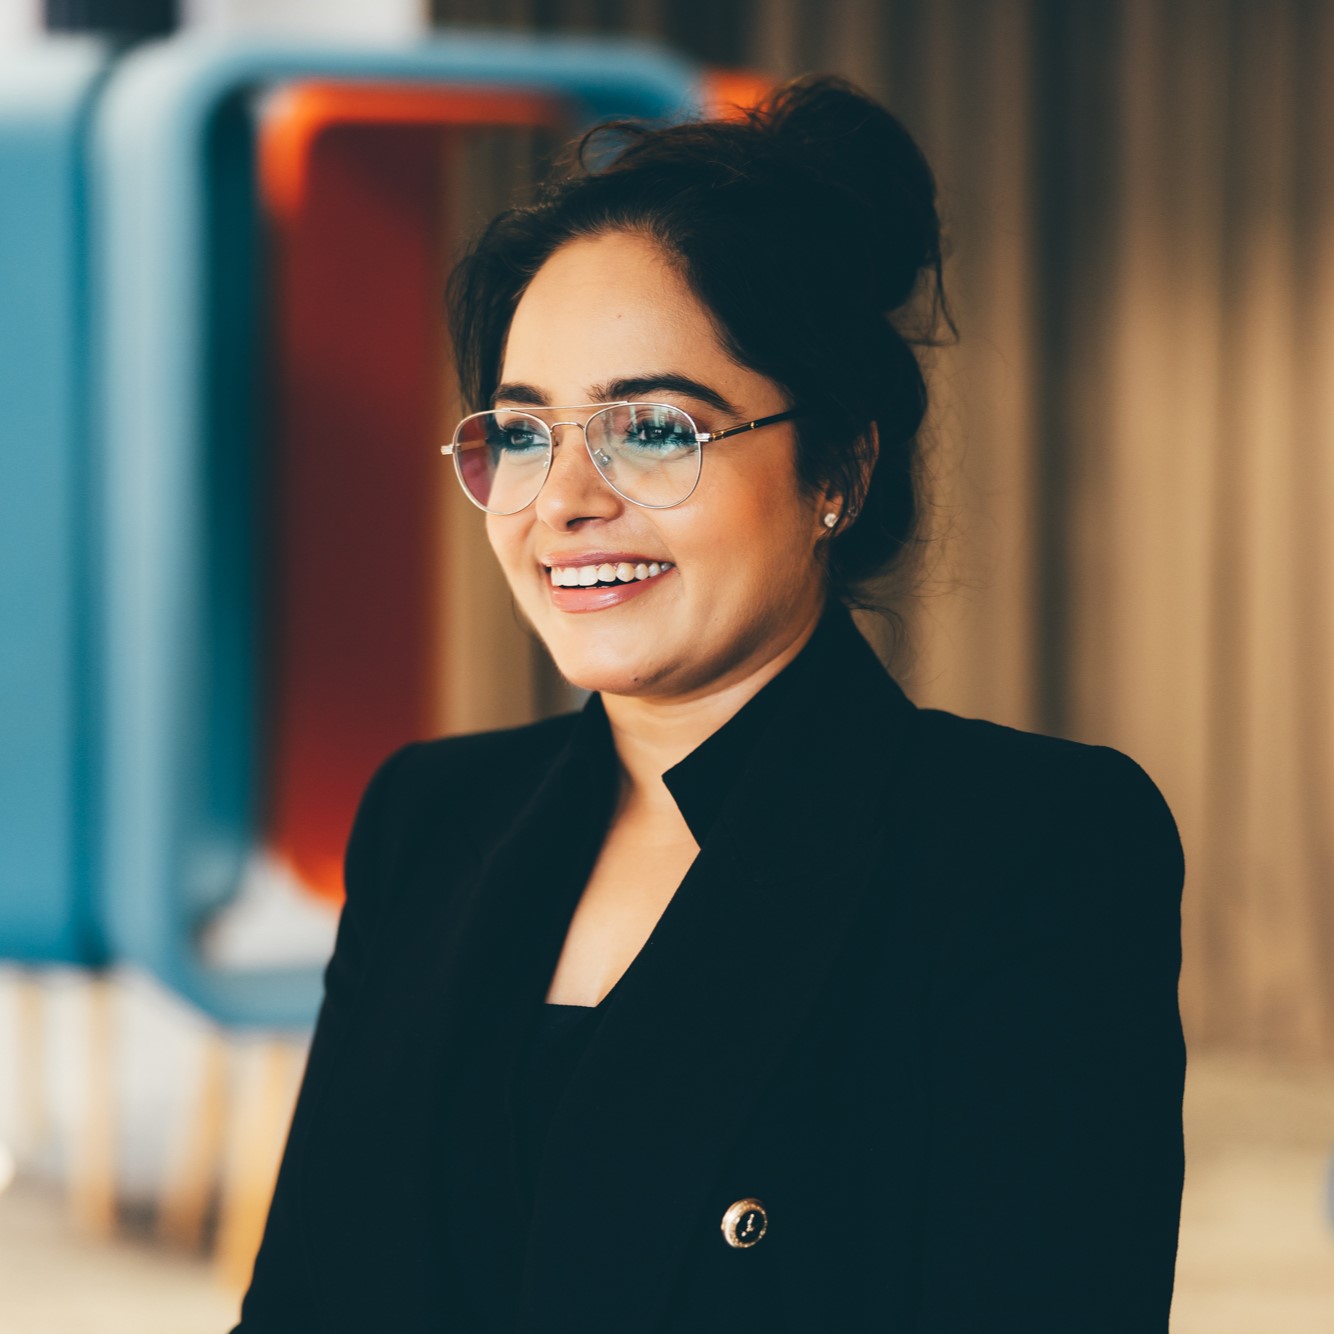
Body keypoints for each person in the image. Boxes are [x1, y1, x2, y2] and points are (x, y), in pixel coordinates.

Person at [233, 74, 1185, 1332]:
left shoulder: (1029, 848)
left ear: (835, 467)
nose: (565, 500)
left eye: (654, 429)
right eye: (521, 434)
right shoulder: (429, 818)